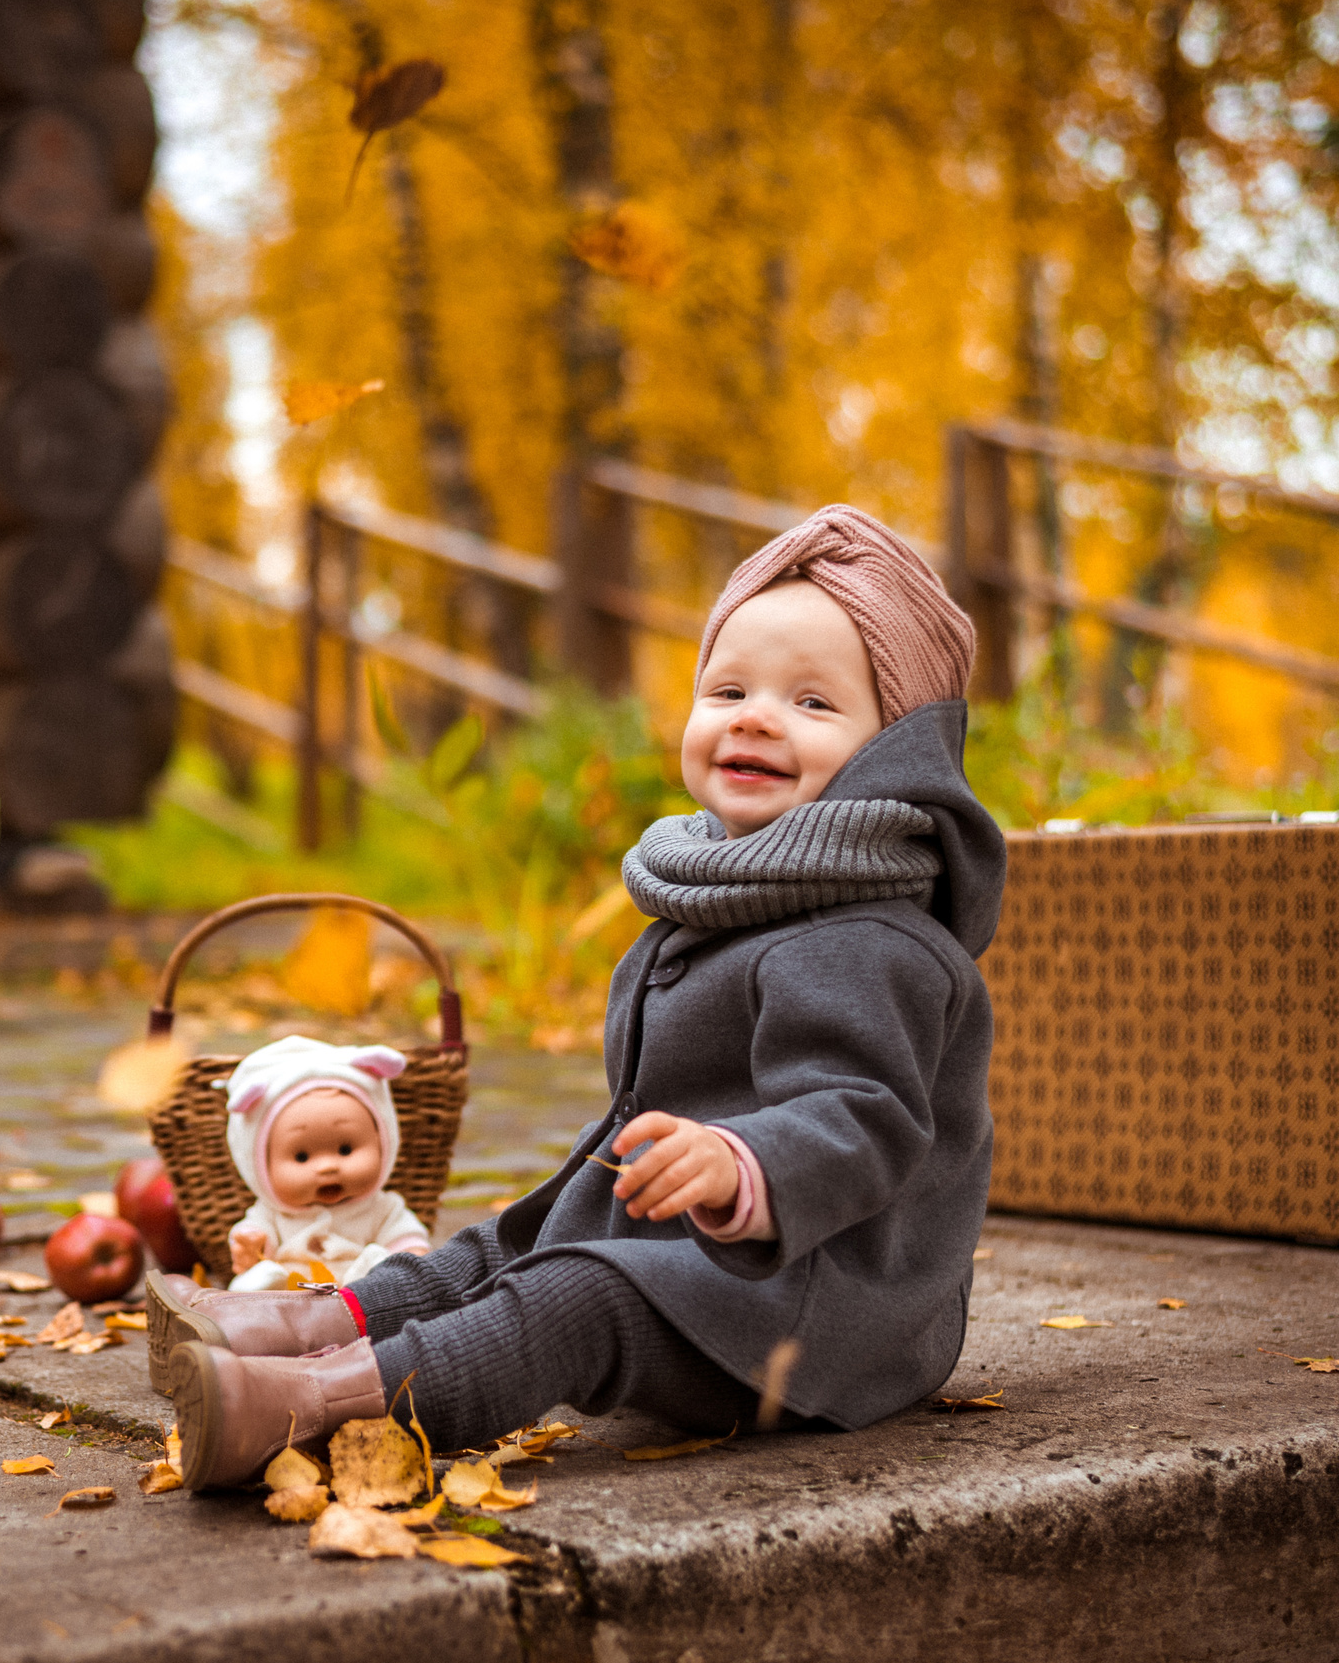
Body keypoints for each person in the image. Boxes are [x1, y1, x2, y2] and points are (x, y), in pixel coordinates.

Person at [145, 504, 1007, 1488]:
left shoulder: (869, 936)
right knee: (506, 1241)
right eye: (727, 688)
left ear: (891, 754)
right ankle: (295, 1321)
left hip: (818, 1313)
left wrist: (738, 1159)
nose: (755, 716)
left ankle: (308, 1404)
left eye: (814, 703)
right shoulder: (727, 894)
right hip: (704, 1258)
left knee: (570, 1295)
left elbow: (865, 1116)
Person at [217, 1036, 432, 1292]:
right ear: (261, 1166)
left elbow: (405, 1237)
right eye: (302, 1157)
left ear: (382, 1142)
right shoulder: (271, 1214)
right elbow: (255, 1235)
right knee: (260, 1278)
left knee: (381, 1268)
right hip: (289, 1295)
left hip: (360, 1297)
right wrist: (250, 1245)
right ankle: (256, 1297)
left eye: (345, 1149)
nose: (328, 1166)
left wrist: (412, 1253)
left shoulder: (382, 1208)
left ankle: (375, 1284)